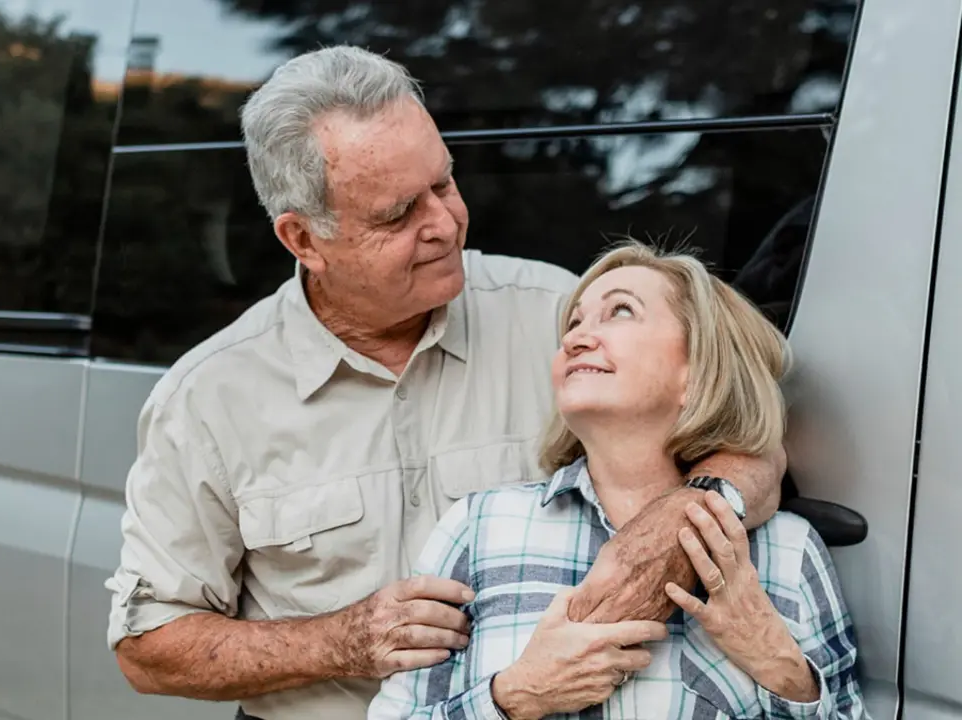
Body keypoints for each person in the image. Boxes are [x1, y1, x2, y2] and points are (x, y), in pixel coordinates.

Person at [105, 46, 786, 720]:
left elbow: (759, 443)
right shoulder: (205, 398)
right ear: (303, 239)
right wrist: (341, 643)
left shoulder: (560, 316)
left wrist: (687, 514)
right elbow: (147, 645)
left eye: (445, 183)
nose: (444, 224)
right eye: (398, 214)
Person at [367, 242, 863, 720]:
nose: (575, 337)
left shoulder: (788, 551)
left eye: (620, 312)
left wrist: (779, 665)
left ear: (697, 370)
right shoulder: (479, 529)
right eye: (575, 321)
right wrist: (514, 697)